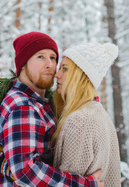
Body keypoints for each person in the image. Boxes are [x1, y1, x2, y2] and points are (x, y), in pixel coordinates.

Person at [0, 32, 102, 186]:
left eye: (53, 58)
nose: (50, 64)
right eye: (40, 57)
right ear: (23, 63)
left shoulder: (39, 104)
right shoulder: (23, 106)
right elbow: (26, 171)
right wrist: (85, 185)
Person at [52, 42, 121, 186]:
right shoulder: (99, 113)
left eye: (65, 69)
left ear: (83, 77)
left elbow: (66, 183)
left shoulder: (79, 120)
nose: (57, 75)